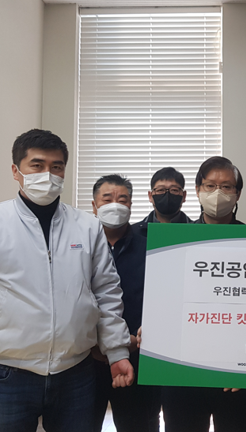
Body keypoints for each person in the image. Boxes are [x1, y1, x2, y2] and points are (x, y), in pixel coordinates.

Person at [0, 129, 133, 432]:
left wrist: (116, 351)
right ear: (16, 171)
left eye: (56, 167)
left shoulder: (87, 227)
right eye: (37, 165)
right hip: (8, 378)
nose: (47, 175)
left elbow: (106, 292)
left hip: (75, 374)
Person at [160, 156, 245, 432]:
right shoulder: (174, 241)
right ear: (197, 190)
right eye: (210, 186)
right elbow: (163, 299)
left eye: (227, 186)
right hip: (184, 370)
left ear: (237, 194)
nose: (218, 193)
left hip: (236, 373)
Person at [91, 175, 161, 432]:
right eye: (107, 199)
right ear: (94, 205)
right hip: (86, 360)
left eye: (123, 199)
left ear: (131, 205)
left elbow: (161, 300)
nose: (115, 205)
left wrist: (133, 340)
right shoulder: (79, 248)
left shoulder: (151, 247)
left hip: (138, 356)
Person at [132, 167, 192, 237]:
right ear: (150, 196)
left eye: (174, 190)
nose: (167, 195)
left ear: (184, 196)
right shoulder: (133, 233)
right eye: (160, 190)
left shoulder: (197, 232)